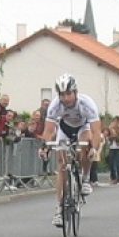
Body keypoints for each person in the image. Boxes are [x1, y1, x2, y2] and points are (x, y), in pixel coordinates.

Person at [39, 73, 101, 227]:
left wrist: (94, 148)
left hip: (83, 127)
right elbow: (48, 130)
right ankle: (59, 208)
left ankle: (85, 178)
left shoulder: (87, 104)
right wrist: (44, 147)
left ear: (75, 92)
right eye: (62, 95)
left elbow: (96, 131)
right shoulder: (55, 105)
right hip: (65, 130)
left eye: (68, 94)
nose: (65, 98)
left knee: (85, 146)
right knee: (61, 165)